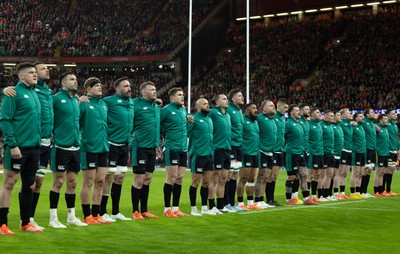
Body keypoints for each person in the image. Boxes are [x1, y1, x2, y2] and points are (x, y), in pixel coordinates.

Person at [3, 61, 53, 229]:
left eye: (35, 72)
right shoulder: (13, 93)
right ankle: (2, 224)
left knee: (29, 185)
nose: (35, 75)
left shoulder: (35, 94)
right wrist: (12, 144)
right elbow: (5, 120)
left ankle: (26, 223)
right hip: (18, 147)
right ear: (21, 76)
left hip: (34, 148)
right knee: (9, 183)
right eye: (31, 72)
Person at [48, 72, 87, 228]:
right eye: (72, 79)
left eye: (76, 79)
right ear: (63, 83)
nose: (75, 82)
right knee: (58, 181)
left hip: (75, 147)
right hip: (60, 147)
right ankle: (53, 218)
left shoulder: (75, 100)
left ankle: (71, 216)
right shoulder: (56, 99)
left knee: (72, 182)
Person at [99, 77, 134, 221]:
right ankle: (101, 212)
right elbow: (95, 102)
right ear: (117, 89)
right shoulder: (109, 101)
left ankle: (115, 211)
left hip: (124, 145)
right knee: (108, 178)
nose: (129, 88)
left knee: (120, 177)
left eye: (130, 85)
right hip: (111, 144)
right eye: (125, 86)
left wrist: (156, 101)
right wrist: (82, 98)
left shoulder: (132, 102)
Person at [79, 77, 110, 224]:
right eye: (96, 85)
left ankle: (96, 214)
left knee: (100, 181)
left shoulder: (103, 104)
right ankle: (87, 215)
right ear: (87, 89)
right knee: (88, 182)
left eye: (100, 85)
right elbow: (75, 122)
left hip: (103, 147)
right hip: (89, 147)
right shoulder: (83, 103)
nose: (100, 87)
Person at [130, 81, 161, 220]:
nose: (155, 91)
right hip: (139, 146)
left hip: (152, 147)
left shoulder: (156, 106)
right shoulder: (135, 103)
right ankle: (135, 211)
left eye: (155, 89)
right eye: (152, 90)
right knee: (139, 179)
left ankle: (144, 210)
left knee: (148, 179)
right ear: (143, 92)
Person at [161, 87, 193, 218]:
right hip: (171, 147)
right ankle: (167, 209)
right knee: (171, 178)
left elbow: (184, 126)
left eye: (183, 95)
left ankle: (176, 208)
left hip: (183, 149)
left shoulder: (183, 110)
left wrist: (189, 120)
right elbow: (159, 125)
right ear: (172, 97)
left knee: (180, 178)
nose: (182, 97)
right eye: (179, 95)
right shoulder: (166, 110)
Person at [187, 98, 216, 216]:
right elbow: (187, 132)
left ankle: (204, 207)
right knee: (195, 182)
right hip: (198, 155)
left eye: (208, 104)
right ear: (198, 107)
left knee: (206, 183)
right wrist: (189, 121)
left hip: (209, 155)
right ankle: (193, 208)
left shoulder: (209, 119)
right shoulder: (193, 119)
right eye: (205, 104)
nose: (208, 106)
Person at [284, 104, 315, 205]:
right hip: (292, 153)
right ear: (291, 113)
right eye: (297, 110)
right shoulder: (288, 123)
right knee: (292, 177)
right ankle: (289, 199)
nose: (299, 112)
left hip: (301, 153)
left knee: (304, 175)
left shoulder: (299, 124)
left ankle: (306, 198)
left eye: (299, 110)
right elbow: (281, 136)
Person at [208, 94, 231, 214]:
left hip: (227, 149)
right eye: (224, 99)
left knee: (224, 178)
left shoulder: (227, 115)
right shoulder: (212, 112)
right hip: (217, 149)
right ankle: (211, 206)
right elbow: (198, 116)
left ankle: (221, 205)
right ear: (217, 102)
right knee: (215, 178)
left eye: (227, 99)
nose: (227, 101)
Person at [237, 103, 262, 210]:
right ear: (247, 110)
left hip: (255, 153)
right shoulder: (242, 120)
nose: (256, 110)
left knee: (252, 179)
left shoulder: (255, 121)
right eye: (253, 108)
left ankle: (251, 202)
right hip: (246, 153)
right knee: (243, 178)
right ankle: (240, 203)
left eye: (256, 108)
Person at [224, 89, 244, 212]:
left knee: (235, 175)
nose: (242, 97)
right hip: (231, 146)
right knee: (228, 175)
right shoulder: (228, 109)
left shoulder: (239, 110)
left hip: (239, 147)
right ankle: (225, 203)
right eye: (239, 95)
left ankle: (232, 202)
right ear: (232, 99)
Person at [255, 100, 276, 208]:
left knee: (267, 177)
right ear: (264, 108)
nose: (274, 107)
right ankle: (257, 200)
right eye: (271, 106)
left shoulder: (272, 120)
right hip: (262, 151)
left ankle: (262, 200)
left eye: (274, 105)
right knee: (261, 177)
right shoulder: (259, 118)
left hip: (270, 152)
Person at [269, 98, 288, 206]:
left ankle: (271, 199)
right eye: (284, 107)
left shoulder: (282, 119)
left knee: (275, 175)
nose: (286, 110)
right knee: (269, 176)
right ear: (279, 106)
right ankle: (267, 199)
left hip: (281, 150)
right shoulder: (273, 117)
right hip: (273, 150)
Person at [293, 103, 310, 204]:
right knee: (295, 175)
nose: (308, 111)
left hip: (304, 151)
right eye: (306, 109)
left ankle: (303, 197)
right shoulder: (298, 122)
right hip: (296, 151)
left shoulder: (306, 122)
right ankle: (293, 196)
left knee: (303, 175)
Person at [337, 108, 355, 199]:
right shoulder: (342, 123)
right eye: (347, 113)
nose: (350, 114)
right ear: (342, 115)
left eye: (349, 112)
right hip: (343, 150)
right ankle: (338, 192)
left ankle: (343, 192)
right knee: (340, 172)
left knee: (345, 173)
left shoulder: (350, 124)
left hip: (350, 150)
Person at [306, 108, 324, 201]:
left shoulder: (319, 125)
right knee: (310, 174)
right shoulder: (309, 125)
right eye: (317, 112)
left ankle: (313, 195)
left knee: (318, 174)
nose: (320, 114)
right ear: (312, 115)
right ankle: (307, 196)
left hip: (320, 152)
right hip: (312, 152)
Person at [319, 110, 336, 201]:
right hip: (324, 153)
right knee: (322, 175)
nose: (332, 118)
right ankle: (320, 195)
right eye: (330, 116)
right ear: (325, 116)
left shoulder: (331, 126)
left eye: (333, 116)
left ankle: (327, 194)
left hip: (331, 152)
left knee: (330, 174)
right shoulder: (321, 125)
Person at [349, 112, 366, 199]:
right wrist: (350, 123)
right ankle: (352, 193)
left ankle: (358, 192)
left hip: (363, 152)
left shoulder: (361, 126)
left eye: (363, 116)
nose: (362, 118)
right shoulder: (353, 126)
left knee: (361, 173)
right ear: (355, 118)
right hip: (356, 152)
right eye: (360, 116)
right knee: (355, 173)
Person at [383, 109, 399, 196]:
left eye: (395, 113)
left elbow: (396, 138)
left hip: (394, 150)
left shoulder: (395, 125)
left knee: (391, 170)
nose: (395, 115)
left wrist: (398, 149)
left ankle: (389, 190)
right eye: (393, 113)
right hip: (388, 151)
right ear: (388, 115)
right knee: (386, 170)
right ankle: (382, 190)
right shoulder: (386, 124)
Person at [361, 109, 377, 198]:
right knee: (365, 170)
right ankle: (361, 191)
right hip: (366, 149)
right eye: (372, 112)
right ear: (367, 115)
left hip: (373, 149)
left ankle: (365, 191)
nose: (374, 114)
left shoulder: (372, 123)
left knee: (369, 170)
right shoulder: (364, 122)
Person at [374, 114, 390, 196]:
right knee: (378, 172)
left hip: (386, 153)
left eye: (387, 118)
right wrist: (374, 125)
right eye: (385, 119)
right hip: (379, 153)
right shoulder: (377, 127)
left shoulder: (385, 128)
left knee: (382, 172)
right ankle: (376, 191)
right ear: (380, 120)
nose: (387, 120)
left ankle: (381, 190)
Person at [332, 111, 345, 200]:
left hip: (338, 153)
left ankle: (335, 193)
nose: (340, 117)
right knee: (328, 175)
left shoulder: (339, 127)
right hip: (332, 153)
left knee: (336, 174)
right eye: (338, 115)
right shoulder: (332, 127)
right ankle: (325, 194)